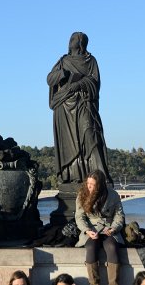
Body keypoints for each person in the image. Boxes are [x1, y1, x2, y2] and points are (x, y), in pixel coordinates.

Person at [47, 32, 111, 184]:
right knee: (69, 144)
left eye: (74, 39)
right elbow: (49, 79)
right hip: (64, 106)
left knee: (90, 136)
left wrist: (79, 84)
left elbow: (95, 83)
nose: (70, 41)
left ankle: (99, 177)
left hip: (83, 103)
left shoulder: (91, 61)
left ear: (82, 43)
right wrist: (62, 74)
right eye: (70, 38)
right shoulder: (63, 61)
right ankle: (72, 176)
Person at [75, 170, 125, 285]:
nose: (89, 187)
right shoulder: (82, 195)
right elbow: (79, 217)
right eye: (88, 183)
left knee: (112, 246)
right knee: (91, 247)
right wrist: (87, 230)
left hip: (109, 228)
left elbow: (119, 216)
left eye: (92, 185)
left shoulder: (113, 195)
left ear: (100, 185)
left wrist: (113, 228)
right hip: (91, 229)